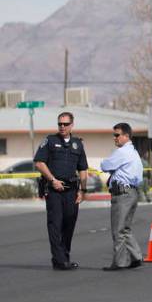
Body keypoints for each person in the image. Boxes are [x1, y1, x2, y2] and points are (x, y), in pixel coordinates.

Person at [33, 111, 88, 270]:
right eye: (60, 124)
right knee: (55, 224)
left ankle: (64, 257)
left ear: (72, 125)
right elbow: (39, 163)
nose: (62, 127)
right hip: (54, 189)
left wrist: (82, 190)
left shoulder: (77, 143)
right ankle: (60, 259)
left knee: (69, 223)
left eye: (65, 124)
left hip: (71, 190)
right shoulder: (50, 141)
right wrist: (52, 180)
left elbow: (83, 168)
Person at [99, 123, 144, 271]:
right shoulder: (133, 151)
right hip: (131, 192)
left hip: (122, 194)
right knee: (125, 229)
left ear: (126, 136)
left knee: (118, 229)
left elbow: (105, 165)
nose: (115, 138)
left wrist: (106, 164)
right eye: (114, 135)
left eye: (117, 135)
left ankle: (120, 262)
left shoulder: (123, 152)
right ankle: (136, 256)